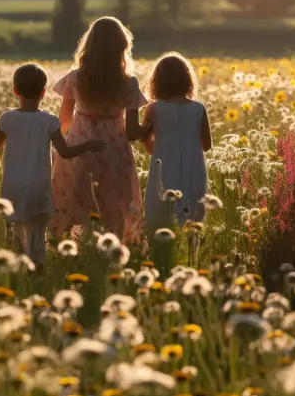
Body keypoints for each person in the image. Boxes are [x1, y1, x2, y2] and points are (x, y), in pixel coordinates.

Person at [0, 63, 105, 268]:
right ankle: (36, 270)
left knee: (14, 232)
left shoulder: (8, 118)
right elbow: (65, 152)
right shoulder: (49, 121)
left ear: (15, 91)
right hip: (39, 187)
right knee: (37, 234)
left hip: (13, 185)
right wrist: (88, 145)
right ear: (43, 92)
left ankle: (15, 270)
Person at [50, 17, 148, 245]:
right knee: (113, 203)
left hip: (79, 144)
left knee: (77, 198)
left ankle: (71, 247)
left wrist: (77, 132)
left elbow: (63, 118)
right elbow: (133, 132)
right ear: (122, 47)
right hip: (114, 147)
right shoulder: (128, 83)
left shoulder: (75, 77)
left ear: (89, 45)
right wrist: (151, 128)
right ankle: (113, 249)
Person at [139, 51, 212, 230]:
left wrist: (159, 148)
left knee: (161, 208)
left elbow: (145, 140)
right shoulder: (198, 108)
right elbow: (207, 145)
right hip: (193, 165)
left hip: (163, 164)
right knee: (193, 210)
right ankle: (190, 249)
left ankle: (162, 248)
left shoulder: (153, 108)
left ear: (157, 82)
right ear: (188, 80)